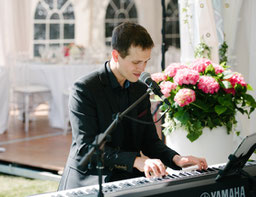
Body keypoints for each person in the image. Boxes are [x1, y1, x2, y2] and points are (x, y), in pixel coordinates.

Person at [58, 22, 207, 190]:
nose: (142, 68)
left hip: (127, 176)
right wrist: (136, 161)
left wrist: (176, 159)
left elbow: (149, 141)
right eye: (136, 62)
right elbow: (86, 149)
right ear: (116, 55)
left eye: (145, 61)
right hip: (90, 180)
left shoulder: (140, 89)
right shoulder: (84, 89)